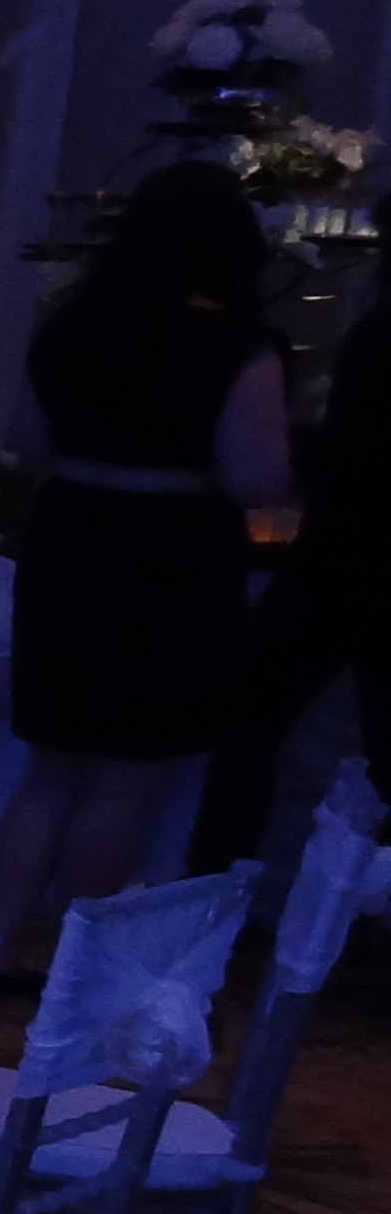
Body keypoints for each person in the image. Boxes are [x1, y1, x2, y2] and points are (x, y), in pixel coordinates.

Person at [0, 162, 292, 955]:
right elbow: (257, 478)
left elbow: (25, 442)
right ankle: (75, 961)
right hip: (172, 554)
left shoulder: (75, 324)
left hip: (70, 536)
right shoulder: (237, 347)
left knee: (52, 767)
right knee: (124, 777)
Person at [193, 278, 391, 868]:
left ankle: (214, 875)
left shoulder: (377, 333)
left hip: (338, 555)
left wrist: (298, 448)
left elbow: (356, 452)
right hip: (343, 553)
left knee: (250, 720)